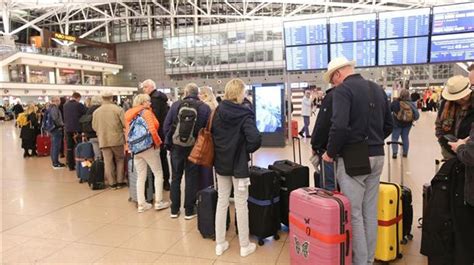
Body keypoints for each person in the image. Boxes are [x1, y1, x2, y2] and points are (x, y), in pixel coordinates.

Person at [321, 57, 393, 265]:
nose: (333, 85)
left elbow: (340, 126)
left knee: (354, 214)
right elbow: (388, 124)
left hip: (353, 158)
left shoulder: (343, 90)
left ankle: (360, 262)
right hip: (378, 155)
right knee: (370, 211)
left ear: (337, 74)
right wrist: (374, 142)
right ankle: (368, 260)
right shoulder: (377, 89)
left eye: (332, 81)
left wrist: (330, 152)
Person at [212, 78, 261, 257]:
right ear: (240, 93)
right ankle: (244, 245)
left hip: (221, 162)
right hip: (239, 165)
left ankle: (220, 243)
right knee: (241, 204)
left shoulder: (217, 111)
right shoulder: (244, 113)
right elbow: (255, 139)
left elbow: (213, 135)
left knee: (222, 201)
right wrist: (243, 150)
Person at [163, 83, 211, 219]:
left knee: (176, 177)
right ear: (198, 93)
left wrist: (171, 142)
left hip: (176, 147)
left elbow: (166, 126)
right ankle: (189, 210)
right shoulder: (204, 108)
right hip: (194, 147)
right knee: (191, 177)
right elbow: (208, 130)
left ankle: (174, 210)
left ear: (185, 92)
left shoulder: (176, 105)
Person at [125, 94, 171, 213]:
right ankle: (159, 202)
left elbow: (127, 133)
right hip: (148, 147)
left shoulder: (129, 114)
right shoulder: (146, 113)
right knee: (158, 173)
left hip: (135, 149)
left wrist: (129, 148)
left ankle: (141, 204)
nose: (150, 103)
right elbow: (152, 129)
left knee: (141, 176)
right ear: (143, 102)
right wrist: (158, 143)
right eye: (148, 101)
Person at [92, 92, 126, 189]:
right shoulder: (118, 109)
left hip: (103, 139)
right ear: (111, 98)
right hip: (116, 139)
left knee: (108, 161)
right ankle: (120, 181)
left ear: (102, 98)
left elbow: (94, 127)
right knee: (119, 159)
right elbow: (124, 124)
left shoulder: (96, 112)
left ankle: (112, 183)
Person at [142, 79, 171, 191]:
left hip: (156, 134)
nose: (143, 90)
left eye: (145, 87)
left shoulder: (153, 100)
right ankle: (166, 182)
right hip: (163, 132)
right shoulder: (162, 99)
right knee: (163, 158)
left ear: (150, 87)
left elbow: (154, 119)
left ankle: (157, 183)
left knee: (156, 160)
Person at [435, 75, 474, 160]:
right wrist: (443, 142)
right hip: (449, 152)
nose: (460, 100)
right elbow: (438, 124)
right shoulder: (446, 105)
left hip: (469, 154)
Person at [311, 86, 336, 191]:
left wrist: (315, 145)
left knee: (328, 189)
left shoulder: (331, 97)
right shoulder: (355, 93)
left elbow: (322, 124)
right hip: (354, 152)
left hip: (328, 150)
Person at [390, 89, 420, 158]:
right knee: (405, 137)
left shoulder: (395, 102)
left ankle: (394, 153)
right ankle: (405, 153)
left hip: (396, 124)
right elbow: (417, 115)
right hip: (407, 124)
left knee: (395, 138)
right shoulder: (411, 103)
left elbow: (388, 110)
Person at [63, 92, 87, 170]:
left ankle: (71, 165)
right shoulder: (78, 105)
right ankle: (79, 164)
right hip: (77, 129)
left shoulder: (65, 105)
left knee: (69, 148)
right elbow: (86, 112)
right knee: (78, 147)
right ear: (78, 98)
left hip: (67, 129)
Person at [44, 97, 66, 168]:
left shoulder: (49, 108)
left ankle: (54, 161)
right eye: (59, 100)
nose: (59, 102)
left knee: (54, 146)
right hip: (56, 129)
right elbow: (55, 118)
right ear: (56, 101)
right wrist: (62, 124)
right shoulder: (54, 108)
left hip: (52, 129)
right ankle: (55, 162)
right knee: (56, 146)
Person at [81, 96, 102, 160]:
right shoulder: (101, 109)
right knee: (106, 154)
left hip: (91, 135)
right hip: (100, 134)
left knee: (97, 154)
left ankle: (97, 167)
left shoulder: (88, 110)